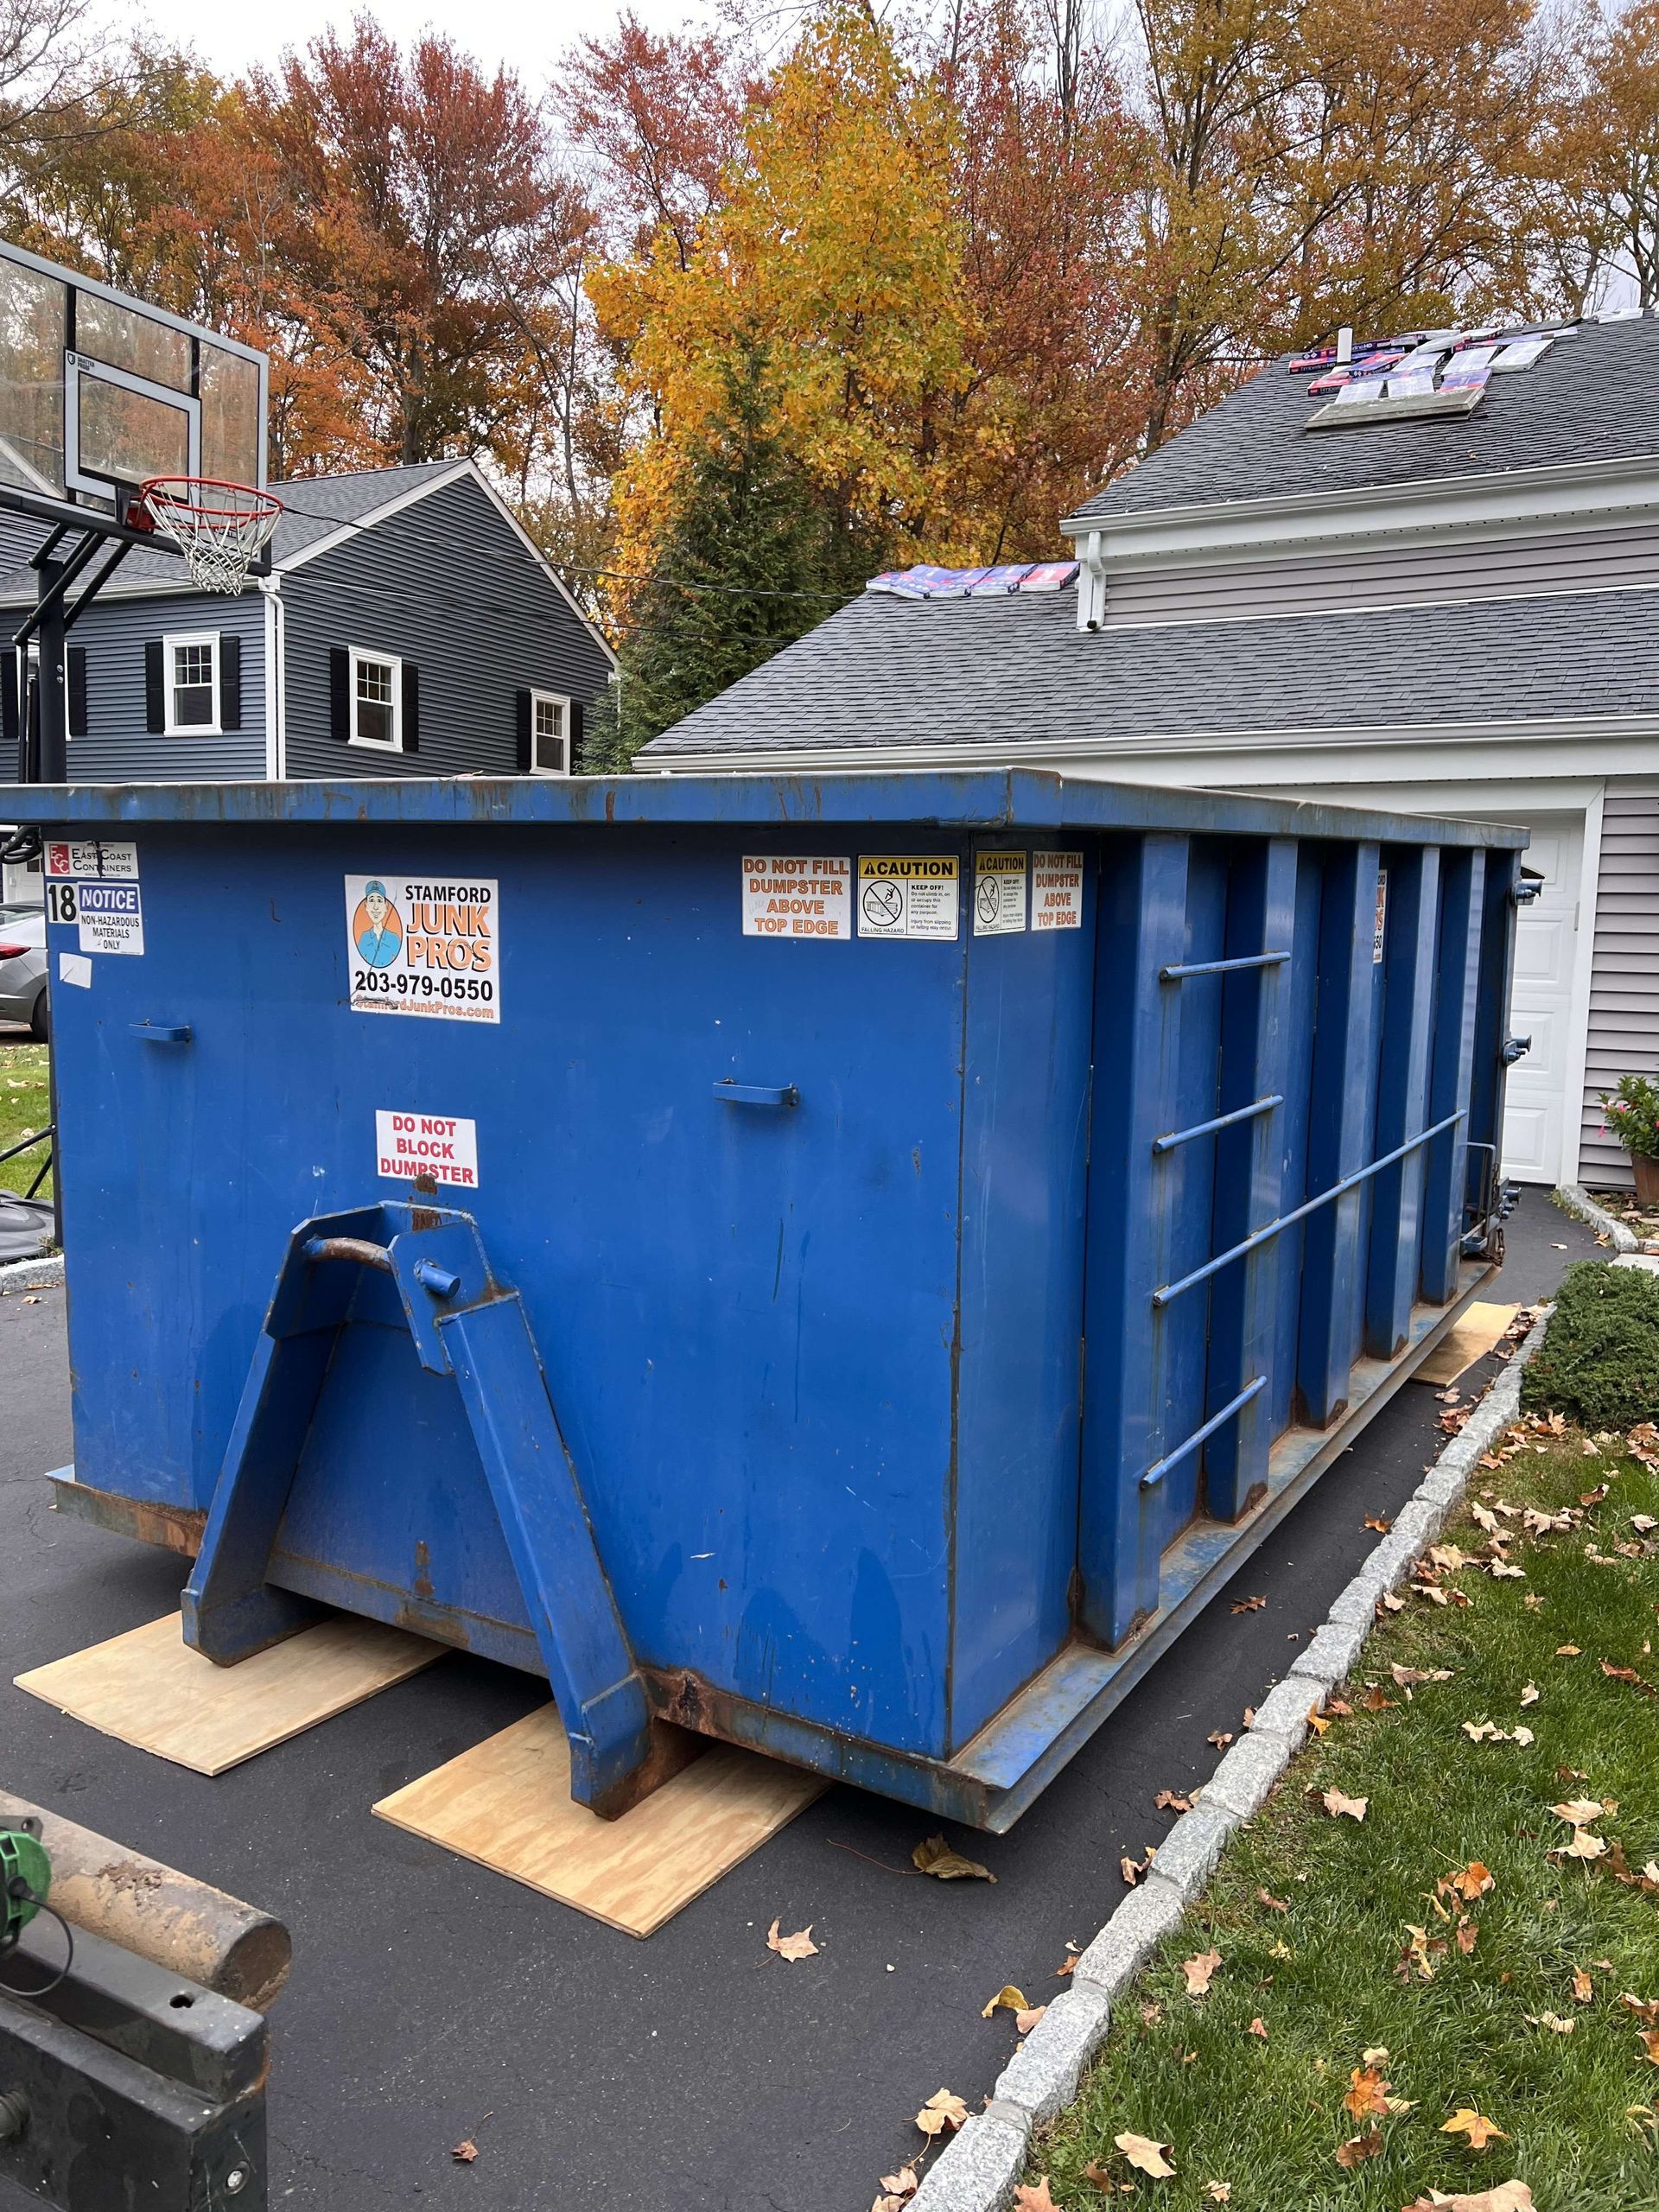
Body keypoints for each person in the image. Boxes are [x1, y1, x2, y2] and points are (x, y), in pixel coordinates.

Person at [354, 880, 403, 967]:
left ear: (386, 906)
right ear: (366, 905)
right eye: (372, 900)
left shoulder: (394, 938)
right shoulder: (364, 937)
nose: (375, 907)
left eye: (379, 901)